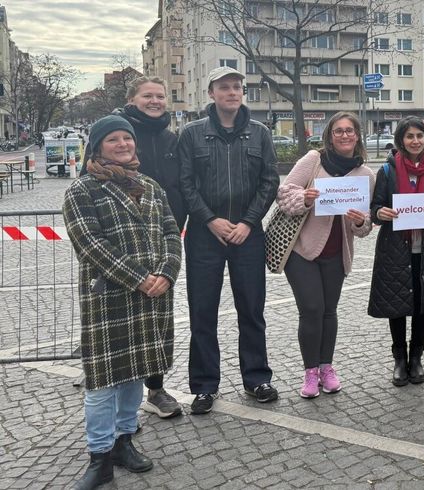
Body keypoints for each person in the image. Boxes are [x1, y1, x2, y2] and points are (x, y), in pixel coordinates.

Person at [63, 115, 182, 489]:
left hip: (153, 297)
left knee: (135, 373)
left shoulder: (149, 185)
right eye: (113, 139)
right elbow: (91, 244)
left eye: (126, 139)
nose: (122, 144)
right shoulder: (82, 190)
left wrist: (166, 273)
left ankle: (124, 441)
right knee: (101, 382)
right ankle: (99, 457)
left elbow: (171, 232)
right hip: (110, 297)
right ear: (97, 147)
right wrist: (139, 278)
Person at [178, 66, 280, 414]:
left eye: (237, 87)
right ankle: (205, 386)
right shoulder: (191, 134)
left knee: (251, 310)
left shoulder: (259, 133)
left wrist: (249, 222)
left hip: (248, 236)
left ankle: (257, 379)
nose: (232, 92)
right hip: (205, 237)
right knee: (202, 312)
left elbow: (269, 182)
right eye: (224, 87)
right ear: (211, 93)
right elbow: (185, 183)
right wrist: (209, 220)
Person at [86, 77, 184, 419]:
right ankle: (112, 429)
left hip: (161, 239)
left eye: (160, 95)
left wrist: (169, 260)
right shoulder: (119, 131)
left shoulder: (173, 138)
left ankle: (154, 390)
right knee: (119, 343)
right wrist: (137, 274)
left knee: (154, 328)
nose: (155, 101)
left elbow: (182, 183)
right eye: (148, 95)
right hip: (122, 255)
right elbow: (91, 232)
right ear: (133, 99)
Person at [276, 112, 374, 398]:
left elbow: (364, 226)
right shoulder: (313, 160)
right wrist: (304, 199)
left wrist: (358, 221)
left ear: (357, 136)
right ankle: (310, 372)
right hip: (302, 250)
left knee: (329, 311)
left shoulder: (365, 175)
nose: (344, 135)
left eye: (350, 131)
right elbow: (283, 195)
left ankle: (326, 368)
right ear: (330, 136)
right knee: (311, 309)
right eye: (338, 131)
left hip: (336, 252)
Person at [368, 116, 424, 386]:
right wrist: (379, 212)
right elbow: (375, 208)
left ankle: (416, 357)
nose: (415, 141)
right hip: (396, 247)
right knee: (396, 303)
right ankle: (399, 358)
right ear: (401, 140)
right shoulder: (387, 171)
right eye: (410, 136)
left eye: (420, 136)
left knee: (422, 301)